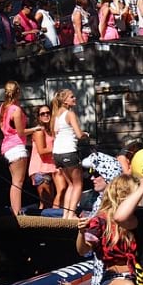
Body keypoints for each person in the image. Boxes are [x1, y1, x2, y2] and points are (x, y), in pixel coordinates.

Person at [51, 88, 86, 218]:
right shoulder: (70, 114)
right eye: (71, 97)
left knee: (70, 184)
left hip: (57, 154)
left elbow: (56, 133)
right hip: (69, 151)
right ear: (65, 101)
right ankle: (71, 214)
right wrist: (85, 135)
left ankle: (66, 214)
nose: (74, 98)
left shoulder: (56, 115)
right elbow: (78, 134)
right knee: (78, 184)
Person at [0, 81, 30, 216]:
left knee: (14, 182)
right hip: (17, 146)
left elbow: (0, 125)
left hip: (6, 146)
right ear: (18, 92)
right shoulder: (16, 110)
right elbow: (21, 132)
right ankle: (17, 212)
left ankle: (15, 211)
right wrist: (36, 129)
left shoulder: (3, 107)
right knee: (18, 182)